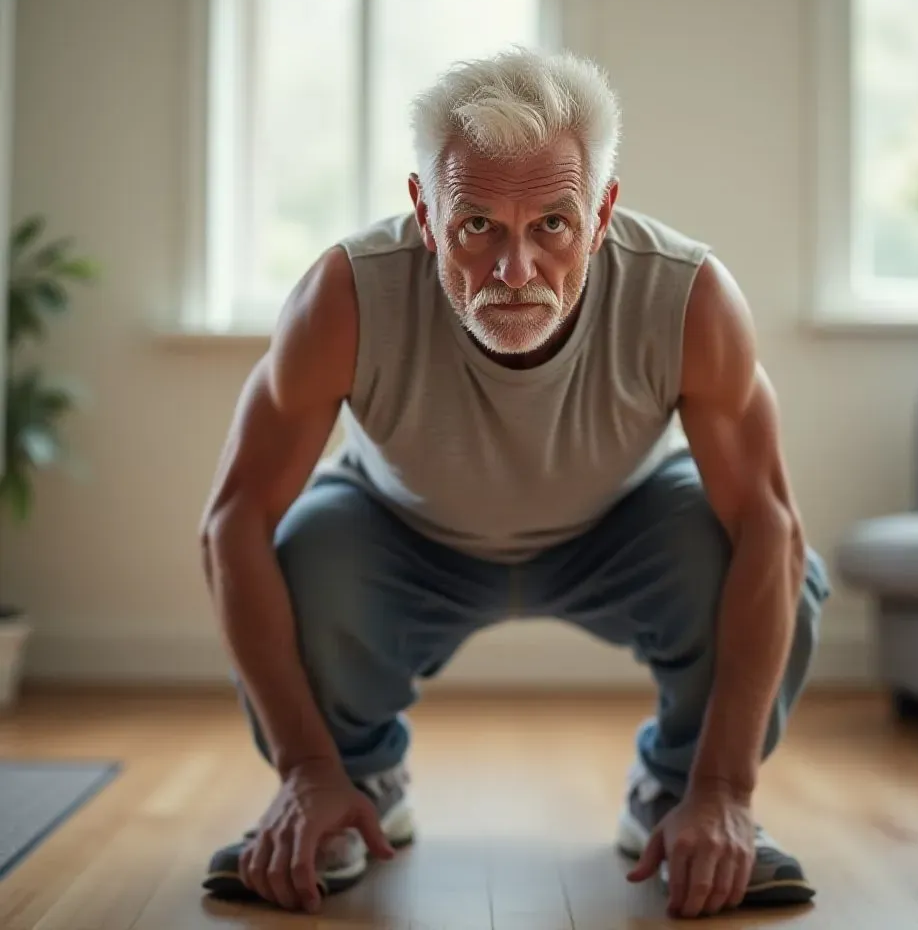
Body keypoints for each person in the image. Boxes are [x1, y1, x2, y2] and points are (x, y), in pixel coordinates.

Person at [198, 47, 831, 921]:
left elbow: (771, 524)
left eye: (553, 226)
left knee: (753, 552)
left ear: (602, 215)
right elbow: (232, 520)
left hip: (622, 530)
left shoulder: (689, 297)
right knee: (306, 547)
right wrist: (303, 770)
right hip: (401, 535)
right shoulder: (343, 297)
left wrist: (726, 788)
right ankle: (346, 783)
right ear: (425, 213)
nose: (516, 271)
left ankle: (683, 793)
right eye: (478, 226)